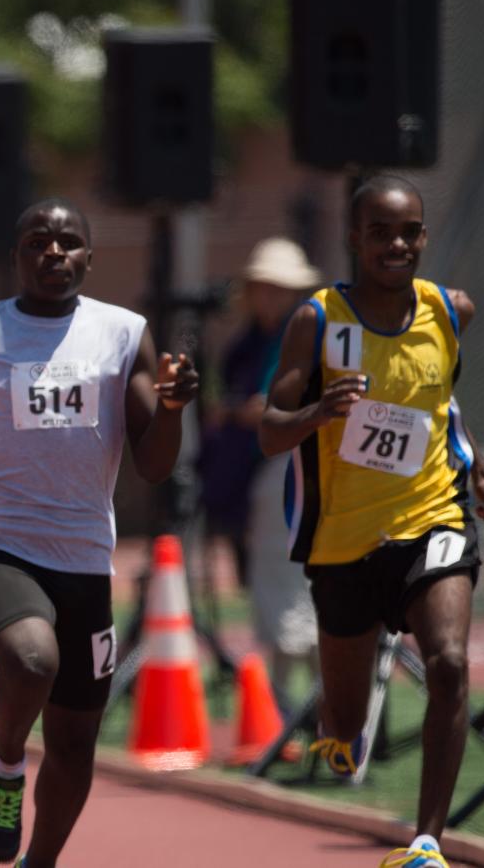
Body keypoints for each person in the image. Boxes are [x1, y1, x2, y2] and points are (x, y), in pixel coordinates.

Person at [0, 198, 197, 867]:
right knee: (32, 660)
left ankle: (42, 862)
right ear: (16, 257)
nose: (53, 253)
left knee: (73, 744)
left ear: (90, 258)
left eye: (68, 243)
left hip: (86, 559)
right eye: (38, 241)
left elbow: (152, 466)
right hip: (0, 542)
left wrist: (175, 409)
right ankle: (6, 765)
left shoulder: (123, 335)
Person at [259, 175, 484, 868]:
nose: (397, 244)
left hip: (433, 513)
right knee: (341, 722)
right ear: (354, 238)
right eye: (381, 232)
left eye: (409, 232)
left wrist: (478, 472)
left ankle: (427, 840)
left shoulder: (449, 310)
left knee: (450, 664)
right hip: (343, 542)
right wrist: (318, 412)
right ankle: (344, 729)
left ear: (424, 237)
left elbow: (437, 408)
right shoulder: (320, 320)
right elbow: (269, 432)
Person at [200, 239, 323, 707]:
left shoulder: (305, 338)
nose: (270, 297)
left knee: (295, 577)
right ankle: (289, 707)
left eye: (279, 288)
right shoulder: (243, 347)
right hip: (254, 477)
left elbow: (280, 409)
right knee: (273, 581)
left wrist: (259, 413)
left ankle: (308, 707)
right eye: (262, 288)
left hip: (292, 470)